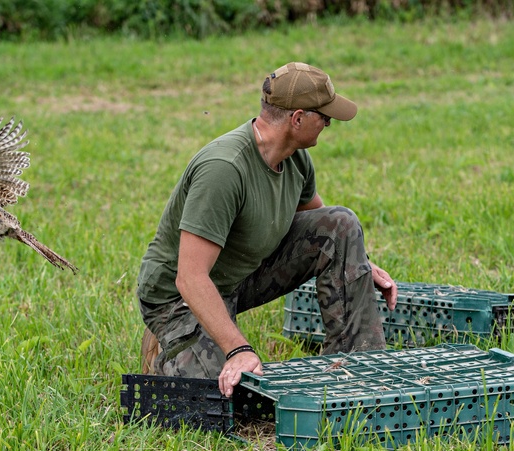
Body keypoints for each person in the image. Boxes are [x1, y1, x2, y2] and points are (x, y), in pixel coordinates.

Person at [136, 62, 397, 397]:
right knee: (232, 394)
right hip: (178, 296)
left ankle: (359, 372)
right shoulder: (224, 169)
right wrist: (237, 349)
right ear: (298, 118)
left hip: (238, 277)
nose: (330, 122)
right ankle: (171, 342)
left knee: (342, 222)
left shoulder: (295, 158)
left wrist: (359, 264)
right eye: (324, 115)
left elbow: (326, 228)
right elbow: (189, 277)